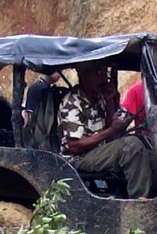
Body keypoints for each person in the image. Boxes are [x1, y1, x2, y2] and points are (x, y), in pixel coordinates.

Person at [57, 63, 152, 199]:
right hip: (78, 158)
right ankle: (139, 203)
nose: (103, 78)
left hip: (98, 151)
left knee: (147, 148)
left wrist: (109, 101)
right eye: (98, 73)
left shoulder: (98, 97)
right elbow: (75, 147)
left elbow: (108, 126)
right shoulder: (72, 103)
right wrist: (112, 130)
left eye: (104, 73)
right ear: (83, 75)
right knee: (131, 146)